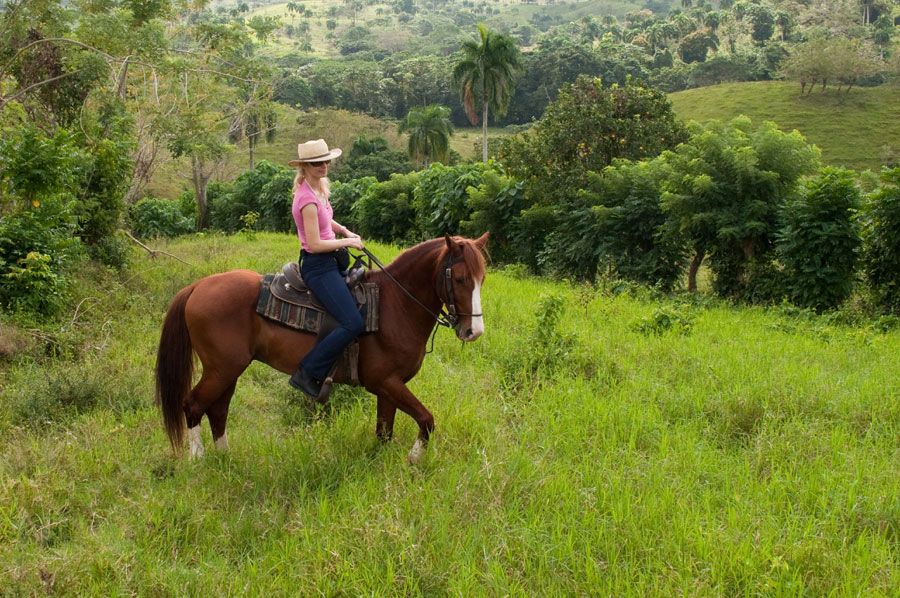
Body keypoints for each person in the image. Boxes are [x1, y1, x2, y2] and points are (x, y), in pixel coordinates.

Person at [287, 139, 365, 401]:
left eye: (326, 160)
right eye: (318, 163)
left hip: (330, 260)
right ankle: (309, 371)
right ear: (305, 167)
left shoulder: (318, 188)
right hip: (318, 266)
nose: (324, 166)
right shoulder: (306, 199)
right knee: (353, 322)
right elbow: (314, 243)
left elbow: (325, 220)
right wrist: (348, 242)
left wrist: (343, 229)